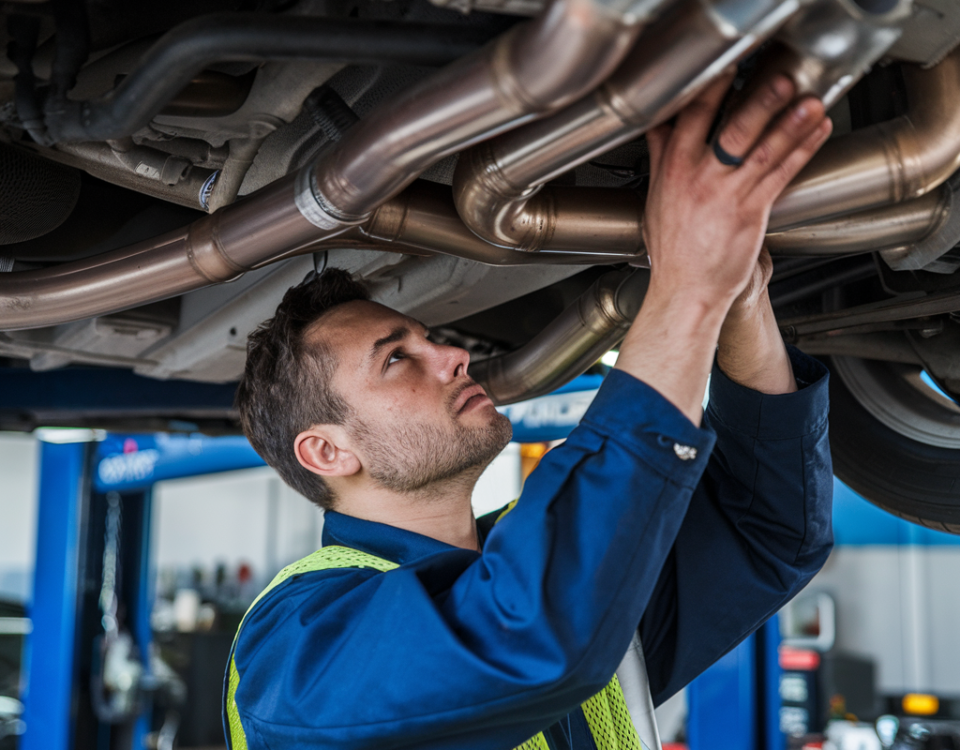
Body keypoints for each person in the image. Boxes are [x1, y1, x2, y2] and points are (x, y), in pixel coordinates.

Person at [223, 71, 835, 750]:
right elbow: (527, 633)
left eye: (431, 341)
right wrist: (686, 288)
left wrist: (736, 297)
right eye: (398, 359)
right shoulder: (298, 651)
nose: (452, 355)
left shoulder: (558, 574)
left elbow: (764, 528)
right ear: (327, 452)